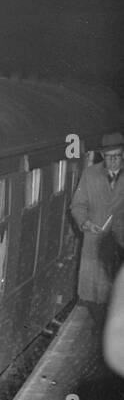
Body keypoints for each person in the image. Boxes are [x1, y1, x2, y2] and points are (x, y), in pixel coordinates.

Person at [70, 131, 124, 307]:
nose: (114, 160)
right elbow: (77, 205)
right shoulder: (90, 175)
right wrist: (85, 223)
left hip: (120, 247)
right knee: (94, 300)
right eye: (109, 156)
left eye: (118, 155)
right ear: (102, 155)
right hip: (94, 246)